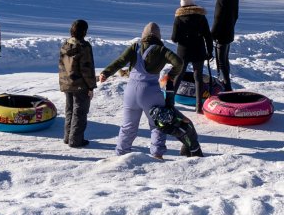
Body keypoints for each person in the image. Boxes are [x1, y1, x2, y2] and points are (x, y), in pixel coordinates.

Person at [98, 22, 193, 158]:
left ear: (143, 35)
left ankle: (121, 154)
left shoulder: (135, 47)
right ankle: (157, 154)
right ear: (158, 36)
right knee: (157, 124)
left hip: (131, 91)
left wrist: (106, 73)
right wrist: (171, 75)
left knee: (128, 126)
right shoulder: (161, 50)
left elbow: (120, 61)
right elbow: (179, 62)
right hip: (150, 91)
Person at [171, 0, 215, 114]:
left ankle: (170, 102)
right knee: (198, 77)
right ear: (193, 3)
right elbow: (208, 35)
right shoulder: (201, 16)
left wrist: (183, 37)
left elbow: (174, 38)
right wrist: (210, 51)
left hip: (183, 51)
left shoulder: (178, 18)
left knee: (179, 75)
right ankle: (198, 106)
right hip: (198, 49)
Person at [58, 19, 96, 148]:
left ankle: (68, 137)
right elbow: (87, 68)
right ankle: (76, 140)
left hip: (67, 83)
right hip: (80, 84)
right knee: (80, 112)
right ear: (84, 31)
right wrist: (91, 86)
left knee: (70, 110)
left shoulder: (65, 44)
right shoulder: (84, 46)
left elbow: (62, 65)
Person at [211, 0, 239, 91]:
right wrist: (231, 26)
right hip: (229, 31)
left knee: (221, 61)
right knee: (225, 59)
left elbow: (218, 18)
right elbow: (236, 15)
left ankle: (227, 86)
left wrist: (212, 34)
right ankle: (226, 84)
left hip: (221, 33)